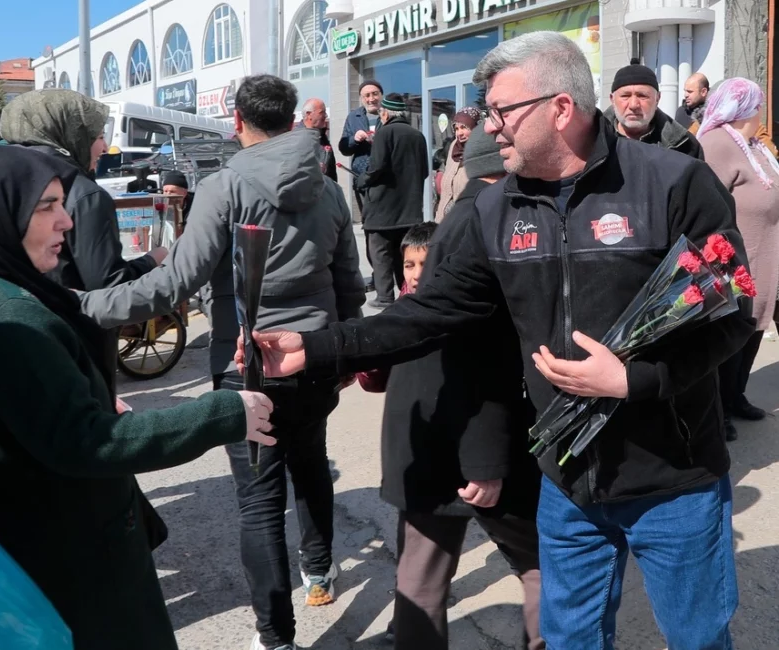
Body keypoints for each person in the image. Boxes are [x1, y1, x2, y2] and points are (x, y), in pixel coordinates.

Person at [241, 31, 753, 650]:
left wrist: (634, 380)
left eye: (501, 111)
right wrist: (317, 348)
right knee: (570, 641)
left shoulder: (673, 183)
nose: (489, 127)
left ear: (560, 108)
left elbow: (730, 314)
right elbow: (429, 314)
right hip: (567, 484)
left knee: (697, 640)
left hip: (675, 479)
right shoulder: (496, 211)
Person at [0, 144, 276, 650]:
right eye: (46, 206)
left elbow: (27, 415)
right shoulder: (4, 314)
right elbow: (88, 443)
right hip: (67, 568)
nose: (67, 223)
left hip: (16, 551)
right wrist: (226, 412)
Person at [78, 74, 365, 650]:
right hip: (314, 354)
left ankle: (275, 637)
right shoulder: (329, 187)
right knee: (310, 459)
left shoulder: (225, 185)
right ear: (292, 119)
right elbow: (349, 283)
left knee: (259, 500)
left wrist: (85, 305)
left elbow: (175, 281)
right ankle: (319, 570)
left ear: (237, 122)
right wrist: (345, 348)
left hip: (247, 360)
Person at [359, 127, 543, 650]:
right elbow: (476, 353)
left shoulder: (456, 222)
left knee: (421, 576)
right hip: (465, 435)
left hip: (428, 431)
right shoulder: (488, 222)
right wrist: (485, 461)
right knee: (544, 563)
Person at [0, 89, 167, 291]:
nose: (105, 148)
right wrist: (152, 260)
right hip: (67, 317)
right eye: (98, 137)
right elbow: (108, 287)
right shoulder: (84, 194)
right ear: (73, 136)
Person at [698, 78, 779, 442]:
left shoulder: (754, 146)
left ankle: (735, 396)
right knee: (729, 336)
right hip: (734, 261)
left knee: (753, 330)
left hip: (764, 254)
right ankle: (718, 405)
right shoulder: (716, 144)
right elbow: (707, 208)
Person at [359, 93, 428, 308]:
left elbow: (376, 168)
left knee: (380, 253)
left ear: (386, 113)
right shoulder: (418, 136)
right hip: (410, 210)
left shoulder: (384, 133)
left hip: (382, 210)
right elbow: (425, 171)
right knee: (403, 254)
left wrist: (362, 180)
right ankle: (407, 293)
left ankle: (385, 297)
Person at [604, 59, 703, 160]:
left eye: (642, 96)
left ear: (657, 99)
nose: (633, 105)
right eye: (625, 96)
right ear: (612, 99)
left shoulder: (685, 146)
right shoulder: (592, 141)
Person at [339, 80, 384, 212]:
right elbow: (344, 148)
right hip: (363, 178)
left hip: (386, 177)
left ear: (381, 95)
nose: (371, 99)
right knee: (368, 218)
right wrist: (354, 139)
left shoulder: (389, 115)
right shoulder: (354, 117)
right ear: (361, 98)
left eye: (375, 94)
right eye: (367, 95)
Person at [434, 106, 481, 222]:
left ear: (476, 128)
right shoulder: (453, 147)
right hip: (444, 223)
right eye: (456, 128)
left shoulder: (482, 150)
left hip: (467, 224)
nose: (459, 133)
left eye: (464, 128)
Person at [300, 98, 337, 183]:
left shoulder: (323, 137)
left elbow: (331, 172)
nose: (326, 116)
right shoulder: (297, 140)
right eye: (322, 112)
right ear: (309, 115)